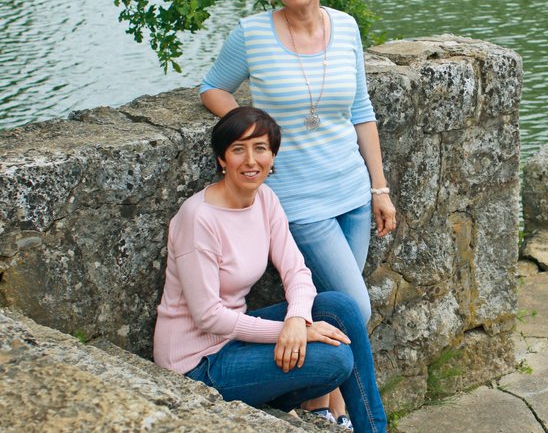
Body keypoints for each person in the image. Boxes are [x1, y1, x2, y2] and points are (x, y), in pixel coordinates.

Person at [199, 0, 396, 422]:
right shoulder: (252, 34)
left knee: (332, 307)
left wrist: (379, 187)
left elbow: (362, 111)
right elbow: (212, 87)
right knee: (356, 308)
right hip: (298, 200)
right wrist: (251, 128)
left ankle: (319, 410)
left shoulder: (346, 26)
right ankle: (357, 417)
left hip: (352, 191)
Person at [153, 107, 387, 432]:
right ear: (222, 159)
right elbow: (208, 316)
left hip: (233, 342)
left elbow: (297, 272)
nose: (251, 160)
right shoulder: (198, 219)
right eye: (238, 149)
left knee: (341, 307)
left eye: (260, 148)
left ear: (272, 156)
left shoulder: (265, 199)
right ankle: (270, 400)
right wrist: (291, 332)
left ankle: (374, 429)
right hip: (197, 363)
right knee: (334, 360)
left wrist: (296, 319)